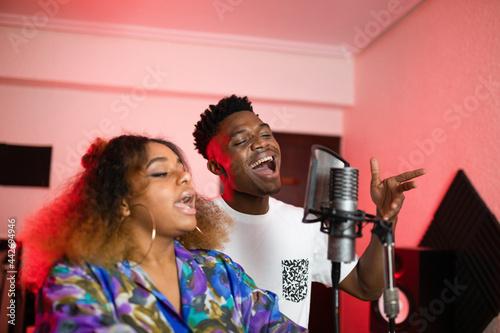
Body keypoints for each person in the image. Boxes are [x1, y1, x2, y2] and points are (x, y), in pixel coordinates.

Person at [19, 134, 307, 332]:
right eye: (160, 173)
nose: (185, 177)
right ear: (119, 202)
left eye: (183, 171)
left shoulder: (221, 272)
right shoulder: (79, 279)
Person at [193, 95, 427, 327]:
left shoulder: (303, 224)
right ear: (216, 165)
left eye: (265, 134)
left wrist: (386, 219)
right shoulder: (194, 227)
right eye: (241, 140)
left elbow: (367, 287)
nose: (261, 143)